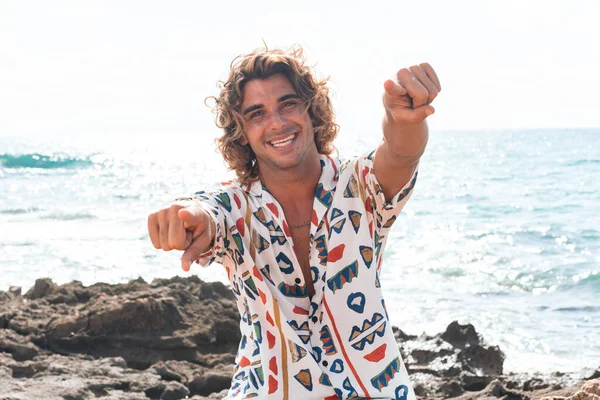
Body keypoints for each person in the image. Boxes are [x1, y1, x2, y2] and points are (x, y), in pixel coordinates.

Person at [147, 45, 440, 400]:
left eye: (287, 104)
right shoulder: (236, 205)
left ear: (311, 109)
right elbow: (208, 213)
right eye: (257, 114)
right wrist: (187, 217)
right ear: (241, 132)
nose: (276, 123)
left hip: (373, 389)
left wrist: (403, 120)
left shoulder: (359, 188)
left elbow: (399, 154)